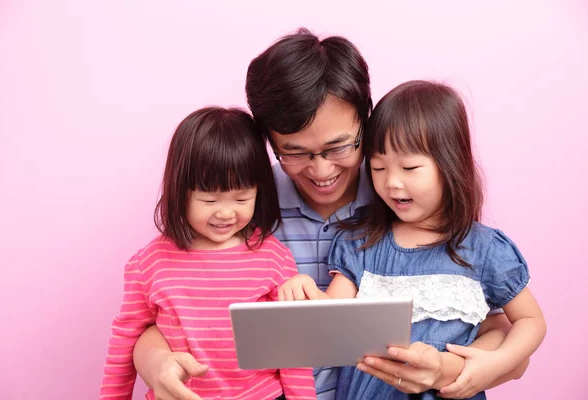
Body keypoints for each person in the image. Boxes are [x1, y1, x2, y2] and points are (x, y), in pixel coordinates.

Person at [131, 29, 530, 400]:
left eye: (339, 147)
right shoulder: (238, 209)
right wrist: (157, 365)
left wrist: (447, 371)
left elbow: (503, 337)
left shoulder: (407, 206)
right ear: (268, 141)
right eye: (295, 152)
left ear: (366, 121)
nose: (321, 171)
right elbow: (160, 318)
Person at [279, 80, 547, 399]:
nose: (392, 183)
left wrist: (495, 363)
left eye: (409, 167)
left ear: (450, 164)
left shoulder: (484, 248)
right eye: (378, 168)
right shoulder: (359, 242)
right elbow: (334, 316)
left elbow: (530, 320)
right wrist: (302, 292)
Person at [99, 107, 316, 400]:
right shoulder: (149, 263)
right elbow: (127, 337)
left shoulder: (274, 258)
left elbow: (292, 346)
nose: (225, 212)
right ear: (181, 192)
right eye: (209, 199)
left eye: (241, 198)